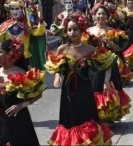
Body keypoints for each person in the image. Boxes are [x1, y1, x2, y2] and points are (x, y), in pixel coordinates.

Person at [45, 12, 114, 145]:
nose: (72, 32)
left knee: (86, 117)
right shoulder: (62, 49)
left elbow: (105, 63)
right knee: (70, 119)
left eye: (75, 29)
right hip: (68, 90)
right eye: (69, 30)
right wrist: (57, 76)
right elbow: (56, 67)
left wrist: (106, 80)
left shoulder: (90, 49)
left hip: (85, 89)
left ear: (82, 30)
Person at [0, 38, 46, 146]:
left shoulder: (22, 73)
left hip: (19, 119)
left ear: (10, 54)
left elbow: (38, 94)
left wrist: (21, 105)